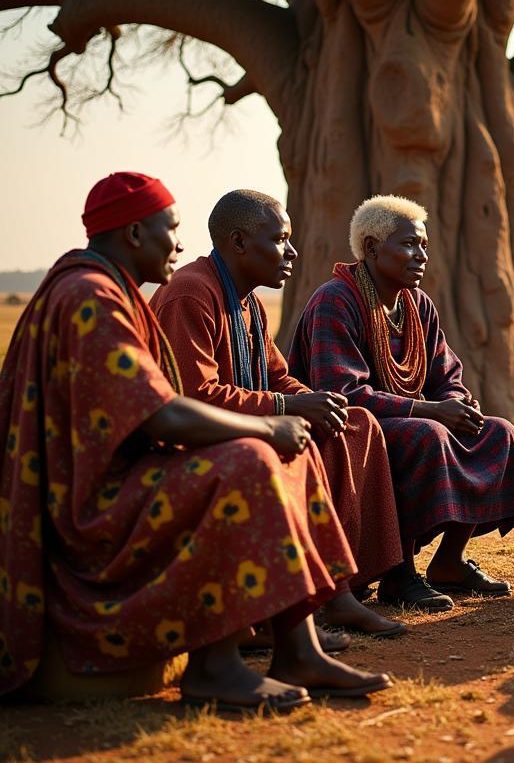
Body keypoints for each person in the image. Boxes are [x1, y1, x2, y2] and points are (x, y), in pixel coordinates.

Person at [0, 172, 390, 710]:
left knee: (289, 453)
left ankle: (300, 644)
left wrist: (300, 409)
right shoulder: (94, 296)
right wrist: (271, 421)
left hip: (124, 473)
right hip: (91, 505)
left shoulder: (113, 290)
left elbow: (262, 381)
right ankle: (214, 666)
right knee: (251, 458)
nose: (179, 244)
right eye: (172, 229)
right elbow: (165, 412)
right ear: (135, 234)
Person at [151, 190, 405, 639]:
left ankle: (350, 584)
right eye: (281, 240)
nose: (293, 252)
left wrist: (316, 401)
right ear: (239, 242)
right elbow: (194, 396)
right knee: (301, 440)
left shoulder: (247, 301)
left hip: (251, 420)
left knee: (357, 424)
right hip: (201, 438)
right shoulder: (191, 293)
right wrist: (287, 407)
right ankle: (320, 595)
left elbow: (275, 377)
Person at [289, 195, 514, 612]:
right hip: (348, 429)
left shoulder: (417, 304)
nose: (421, 256)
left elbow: (446, 376)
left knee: (498, 432)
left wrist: (457, 405)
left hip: (411, 419)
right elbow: (343, 394)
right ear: (370, 248)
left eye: (424, 245)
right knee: (428, 434)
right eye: (408, 245)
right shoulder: (336, 300)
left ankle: (449, 562)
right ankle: (398, 574)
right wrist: (432, 411)